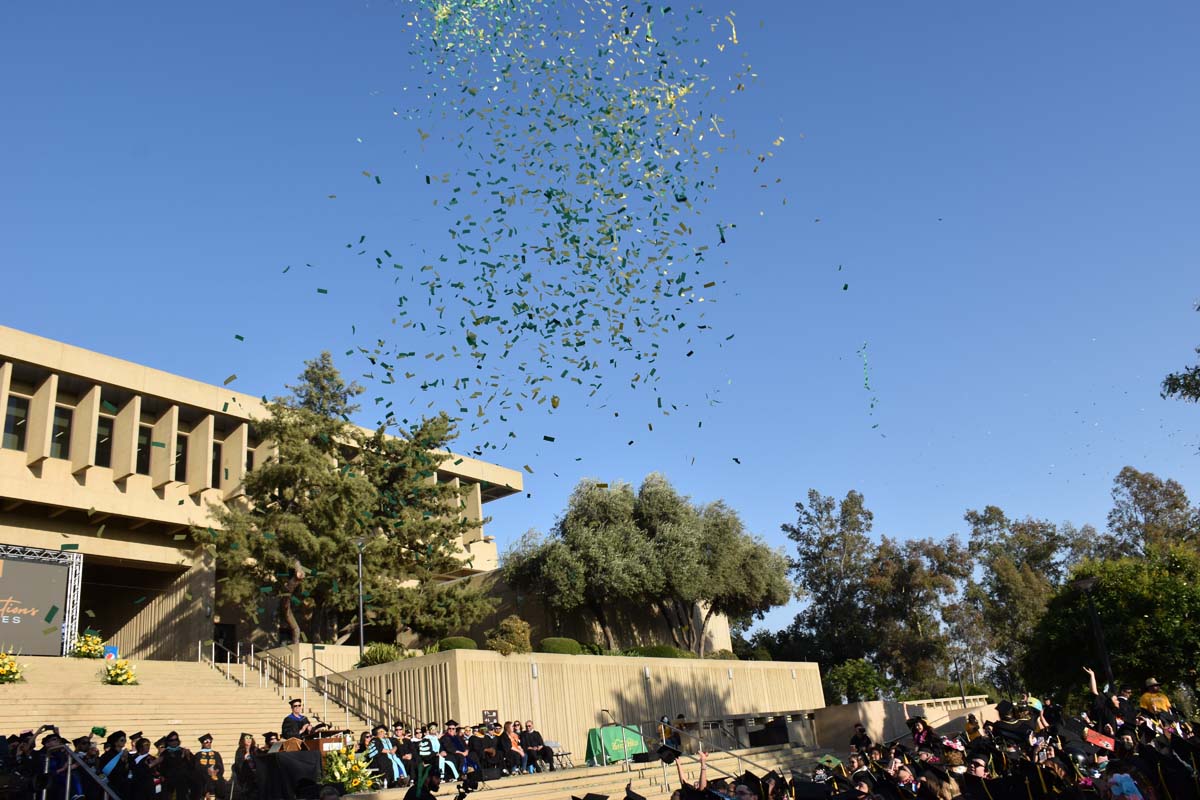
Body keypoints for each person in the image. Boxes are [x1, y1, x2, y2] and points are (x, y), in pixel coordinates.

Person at [158, 732, 194, 800]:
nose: (174, 742)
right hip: (170, 784)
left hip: (183, 783)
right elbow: (162, 769)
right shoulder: (165, 753)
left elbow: (192, 766)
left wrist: (188, 756)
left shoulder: (184, 751)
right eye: (171, 740)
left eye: (176, 739)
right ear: (168, 742)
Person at [193, 734, 224, 799]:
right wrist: (206, 770)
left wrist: (216, 771)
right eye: (206, 742)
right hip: (202, 777)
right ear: (202, 744)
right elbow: (196, 767)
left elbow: (220, 766)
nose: (209, 743)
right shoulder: (198, 755)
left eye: (210, 742)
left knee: (219, 780)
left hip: (214, 776)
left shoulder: (216, 754)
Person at [232, 734, 258, 800]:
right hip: (245, 777)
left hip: (257, 775)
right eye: (247, 738)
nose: (249, 740)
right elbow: (239, 766)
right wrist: (244, 759)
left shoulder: (255, 750)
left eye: (250, 738)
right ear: (243, 740)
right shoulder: (240, 751)